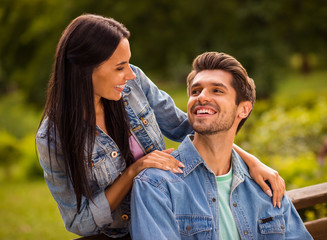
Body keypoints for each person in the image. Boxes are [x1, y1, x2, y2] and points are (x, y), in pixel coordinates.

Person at [36, 14, 285, 238]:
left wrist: (251, 161)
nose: (131, 74)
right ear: (84, 69)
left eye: (129, 64)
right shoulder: (52, 138)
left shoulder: (132, 86)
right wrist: (134, 171)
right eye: (120, 67)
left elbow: (189, 127)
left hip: (173, 216)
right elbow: (80, 222)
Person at [130, 52, 312, 239]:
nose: (201, 97)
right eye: (195, 91)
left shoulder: (265, 185)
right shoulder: (157, 185)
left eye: (217, 90)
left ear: (244, 109)